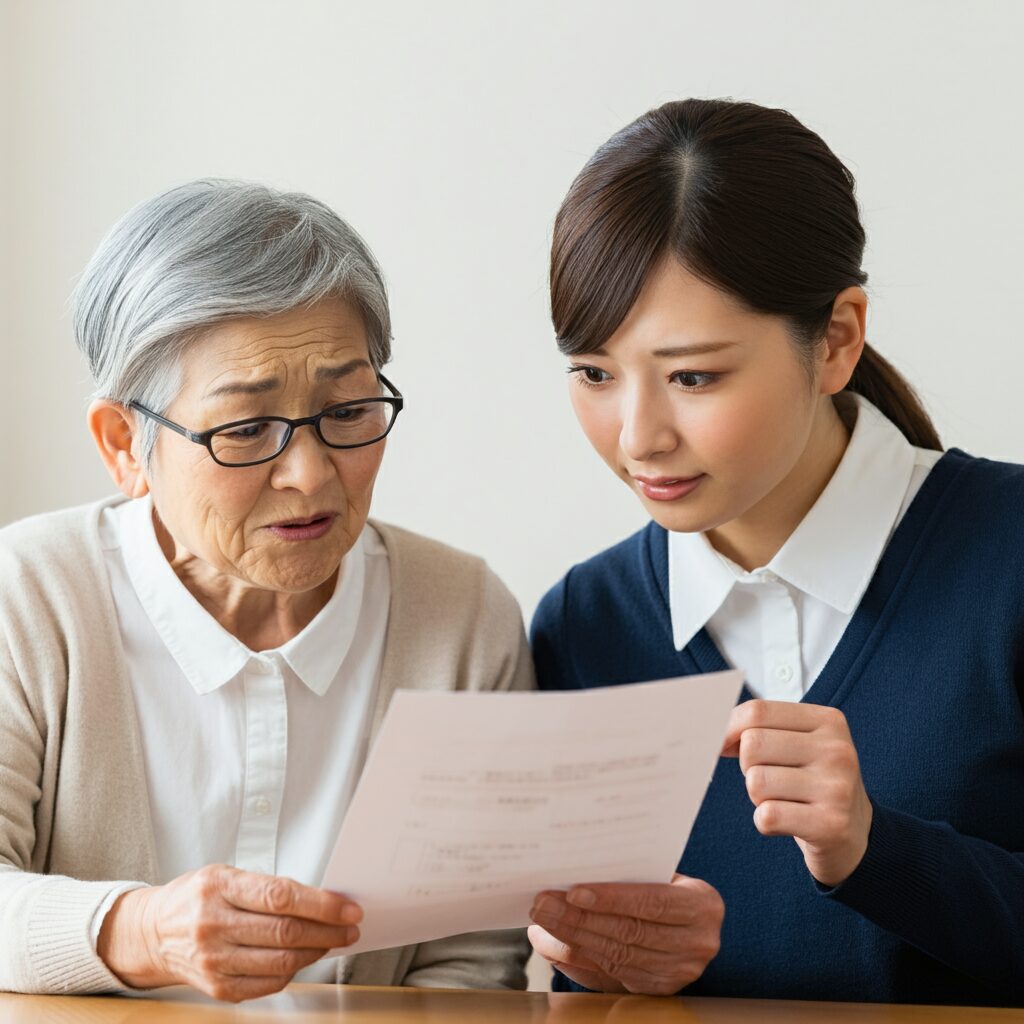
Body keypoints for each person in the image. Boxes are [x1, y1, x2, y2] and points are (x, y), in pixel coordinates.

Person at [527, 99, 1024, 1006]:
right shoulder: (584, 625)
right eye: (595, 374)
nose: (639, 438)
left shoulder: (1009, 558)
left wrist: (877, 849)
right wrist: (597, 970)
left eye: (692, 376)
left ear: (836, 339)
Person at [0, 180, 531, 1001]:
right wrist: (143, 932)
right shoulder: (30, 595)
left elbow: (470, 962)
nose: (311, 474)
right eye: (246, 430)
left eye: (348, 410)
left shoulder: (461, 616)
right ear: (123, 444)